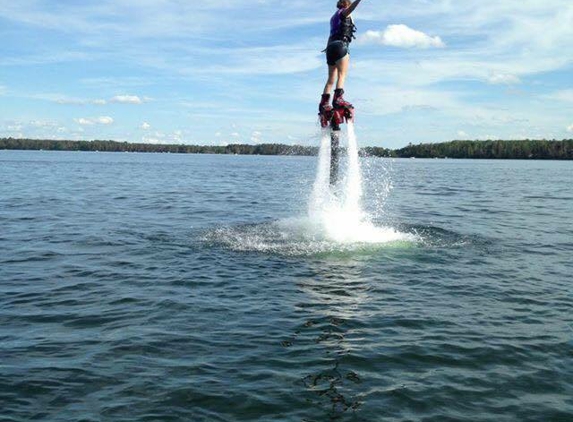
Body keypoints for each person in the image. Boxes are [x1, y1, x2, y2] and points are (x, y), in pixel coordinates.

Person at [319, 0, 364, 118]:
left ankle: (324, 104)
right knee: (342, 74)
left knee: (330, 79)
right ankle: (338, 99)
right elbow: (351, 9)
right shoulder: (344, 12)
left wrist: (327, 48)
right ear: (346, 4)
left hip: (330, 47)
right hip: (341, 45)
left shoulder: (333, 18)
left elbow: (330, 35)